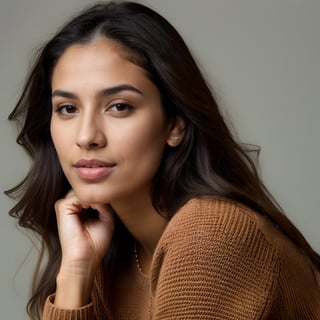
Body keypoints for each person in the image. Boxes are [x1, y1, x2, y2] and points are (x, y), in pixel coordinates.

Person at [5, 1, 320, 319]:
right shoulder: (110, 252)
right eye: (68, 108)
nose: (87, 136)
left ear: (175, 125)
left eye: (119, 106)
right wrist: (75, 274)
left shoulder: (210, 235)